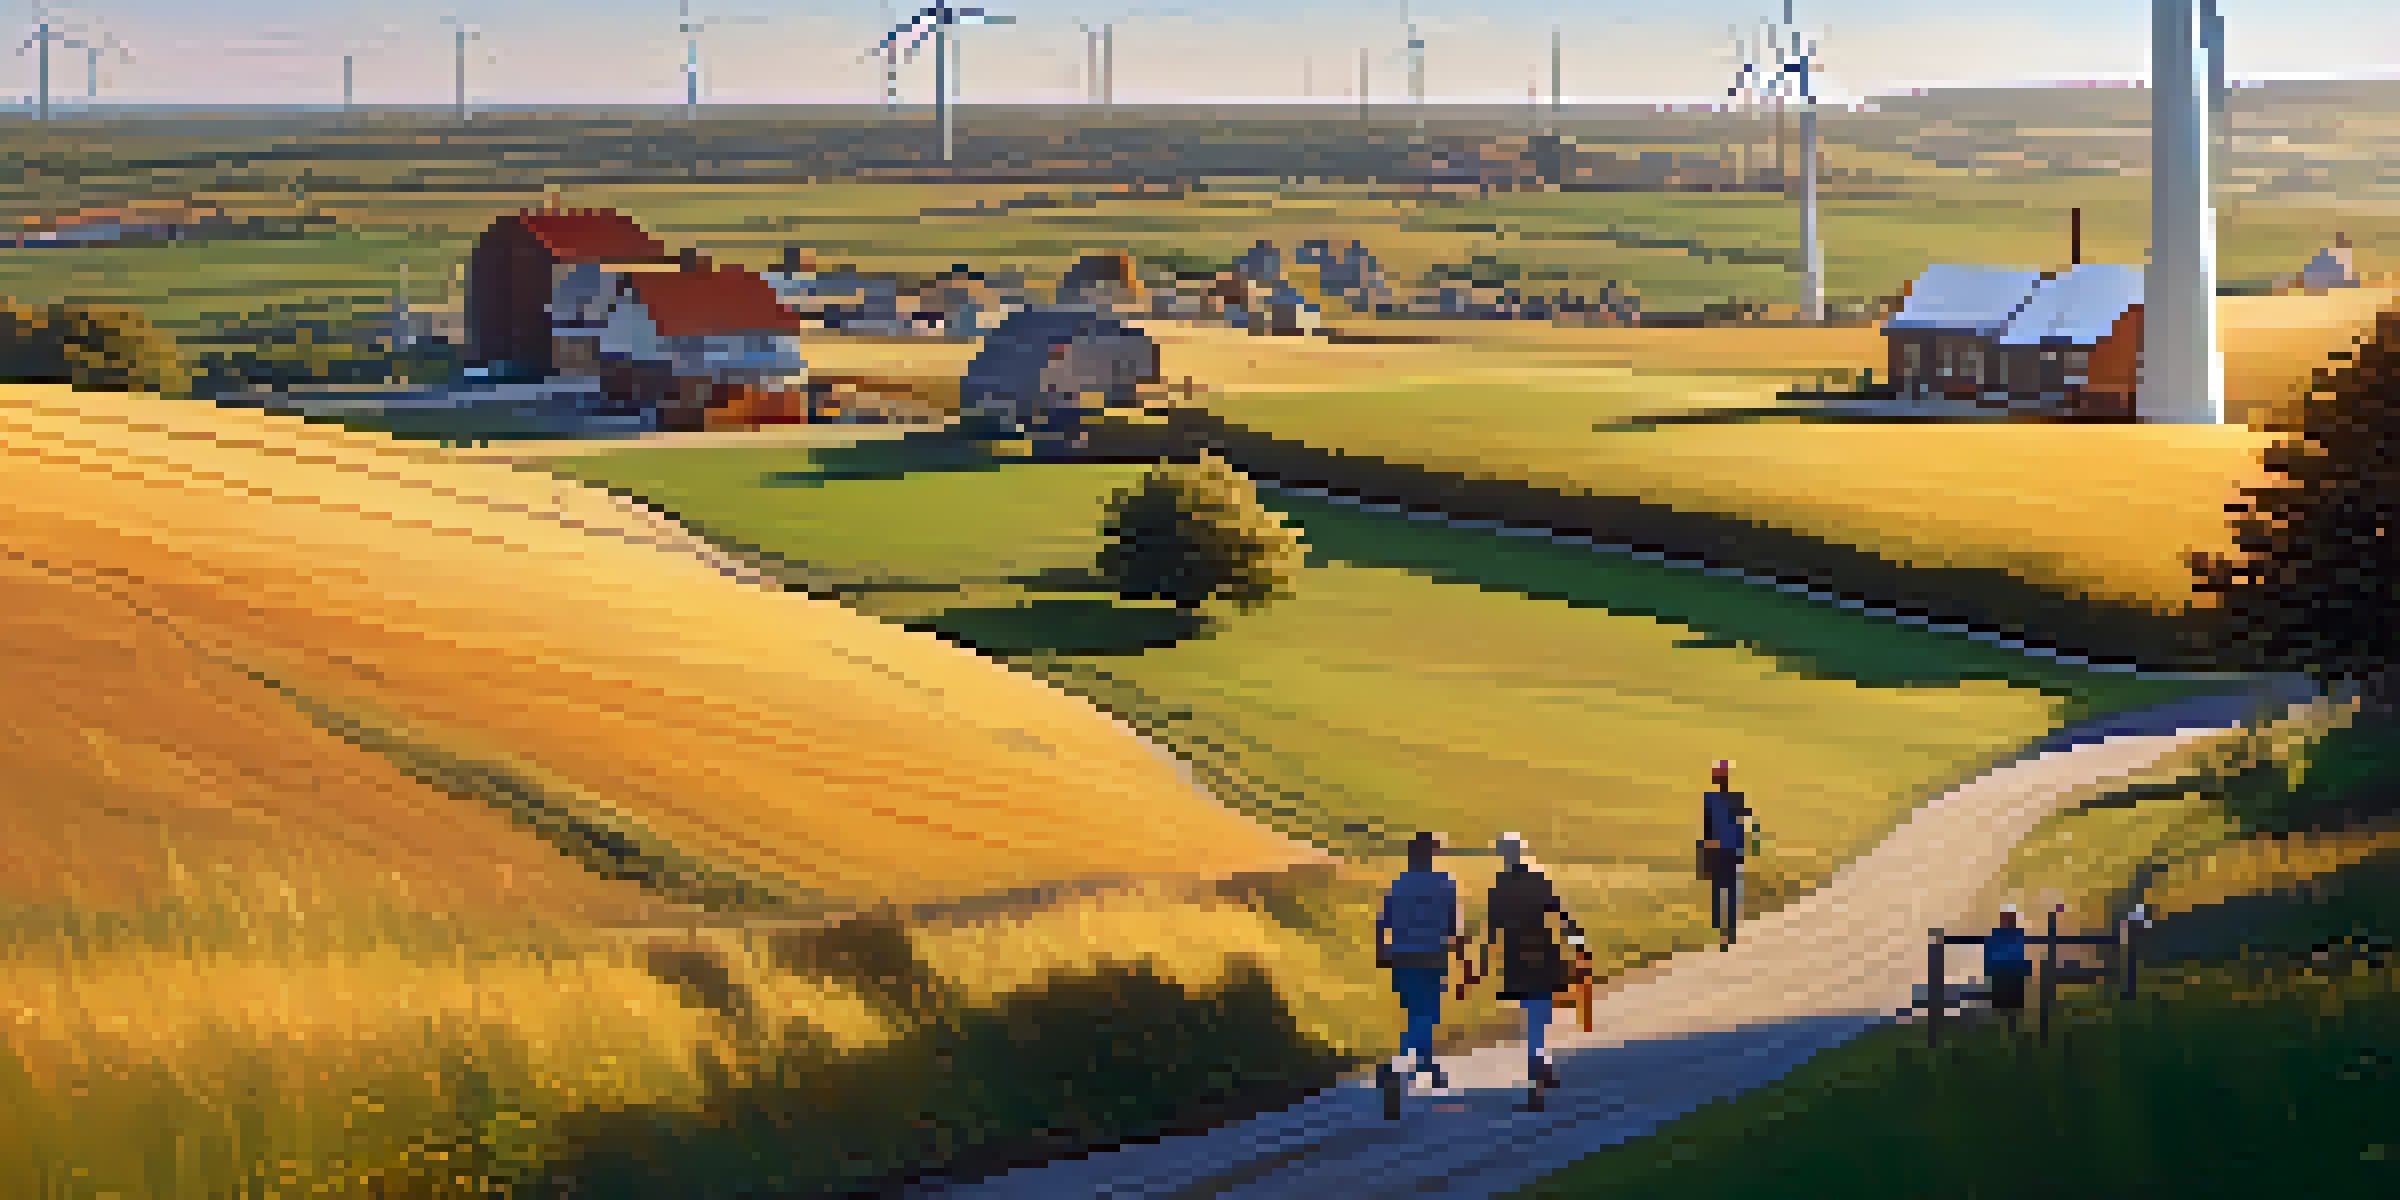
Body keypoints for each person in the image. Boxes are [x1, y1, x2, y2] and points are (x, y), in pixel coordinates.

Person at [1479, 832, 1586, 1110]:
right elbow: (1563, 917)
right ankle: (1536, 1073)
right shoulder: (1538, 881)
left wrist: (1479, 965)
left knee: (1534, 1017)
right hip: (1543, 955)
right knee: (1540, 1015)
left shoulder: (1498, 888)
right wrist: (1579, 947)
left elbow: (1491, 931)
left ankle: (1542, 1066)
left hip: (1515, 958)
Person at [1375, 832, 1460, 1118]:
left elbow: (1381, 922)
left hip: (1400, 955)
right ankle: (1400, 1068)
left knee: (1414, 1012)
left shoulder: (1397, 884)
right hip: (1432, 954)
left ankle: (1425, 1064)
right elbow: (1453, 929)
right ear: (1432, 855)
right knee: (1427, 1013)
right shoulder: (1445, 883)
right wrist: (1463, 957)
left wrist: (1381, 951)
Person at [1700, 760, 1759, 949]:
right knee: (1729, 892)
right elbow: (1748, 823)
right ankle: (1727, 930)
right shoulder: (1734, 799)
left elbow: (1707, 829)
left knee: (1721, 891)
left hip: (1724, 851)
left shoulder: (1713, 799)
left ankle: (1724, 932)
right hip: (1731, 851)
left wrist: (1706, 850)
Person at [1984, 905, 2034, 1033]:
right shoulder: (1997, 934)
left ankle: (2010, 1029)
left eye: (2010, 918)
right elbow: (1990, 954)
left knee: (2013, 1006)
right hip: (2002, 973)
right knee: (2002, 1006)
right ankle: (2002, 1029)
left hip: (2013, 973)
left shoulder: (2017, 934)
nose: (2008, 920)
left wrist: (2026, 968)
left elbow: (2021, 953)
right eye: (2006, 918)